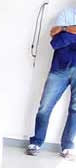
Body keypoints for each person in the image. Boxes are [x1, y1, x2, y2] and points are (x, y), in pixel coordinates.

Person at [27, 6, 76, 159]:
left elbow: (63, 38)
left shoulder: (66, 21)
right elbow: (56, 42)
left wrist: (66, 32)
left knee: (75, 110)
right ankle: (36, 142)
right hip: (59, 68)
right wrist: (67, 32)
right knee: (45, 107)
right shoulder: (66, 13)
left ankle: (67, 146)